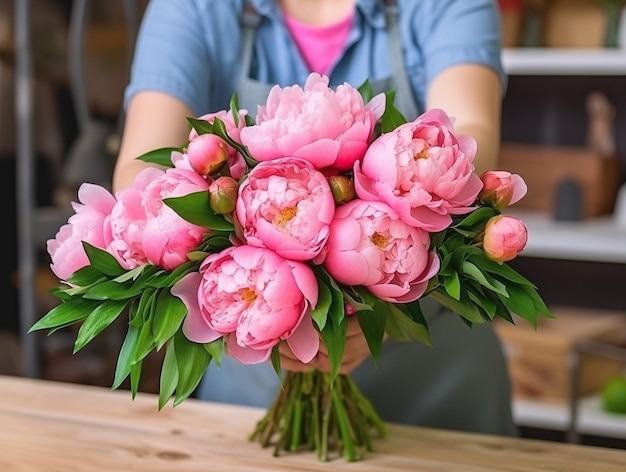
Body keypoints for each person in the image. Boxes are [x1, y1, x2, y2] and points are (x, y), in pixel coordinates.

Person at [113, 0, 517, 436]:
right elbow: (140, 174)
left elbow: (471, 130)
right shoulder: (194, 8)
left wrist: (377, 301)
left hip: (437, 378)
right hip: (252, 374)